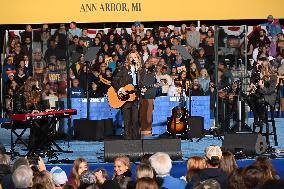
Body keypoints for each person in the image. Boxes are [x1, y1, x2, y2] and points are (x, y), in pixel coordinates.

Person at [111, 52, 142, 139]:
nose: (133, 59)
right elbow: (114, 81)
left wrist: (143, 89)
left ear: (138, 59)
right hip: (125, 97)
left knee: (135, 120)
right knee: (127, 120)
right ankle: (127, 140)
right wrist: (120, 89)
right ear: (128, 59)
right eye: (131, 57)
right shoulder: (124, 69)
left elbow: (142, 85)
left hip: (136, 97)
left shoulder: (141, 71)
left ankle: (136, 141)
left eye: (135, 57)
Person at [246, 57, 277, 130]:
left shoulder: (273, 76)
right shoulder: (257, 74)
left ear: (264, 65)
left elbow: (270, 91)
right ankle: (256, 116)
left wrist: (262, 86)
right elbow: (253, 83)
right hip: (259, 95)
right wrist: (251, 85)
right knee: (249, 98)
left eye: (259, 65)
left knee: (259, 100)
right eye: (257, 64)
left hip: (268, 96)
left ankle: (261, 118)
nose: (257, 66)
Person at [139, 59, 157, 136]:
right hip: (141, 95)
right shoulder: (141, 72)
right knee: (142, 113)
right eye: (146, 63)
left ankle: (147, 131)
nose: (147, 64)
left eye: (149, 63)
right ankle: (141, 130)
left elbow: (153, 84)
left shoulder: (152, 73)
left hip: (150, 95)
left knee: (149, 113)